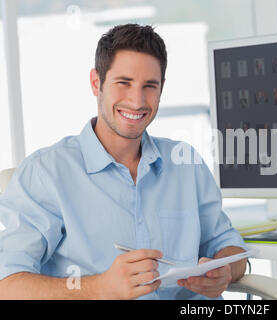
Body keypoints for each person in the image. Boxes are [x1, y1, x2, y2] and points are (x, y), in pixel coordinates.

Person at [0, 24, 247, 300]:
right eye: (124, 83)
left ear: (161, 88)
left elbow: (229, 246)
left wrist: (224, 270)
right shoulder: (46, 173)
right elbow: (8, 285)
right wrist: (100, 288)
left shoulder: (185, 164)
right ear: (97, 82)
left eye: (149, 86)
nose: (137, 100)